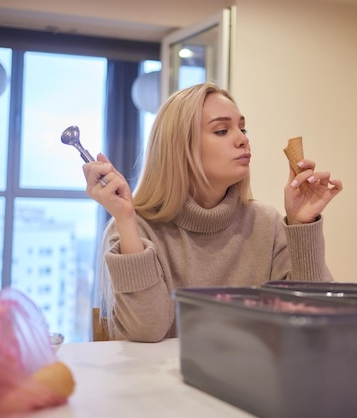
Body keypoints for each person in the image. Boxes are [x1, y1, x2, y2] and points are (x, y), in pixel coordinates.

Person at [83, 82, 343, 342]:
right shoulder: (134, 228)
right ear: (179, 148)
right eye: (221, 130)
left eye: (243, 128)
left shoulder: (266, 222)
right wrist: (127, 221)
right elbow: (146, 331)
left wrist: (301, 225)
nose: (243, 139)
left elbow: (314, 322)